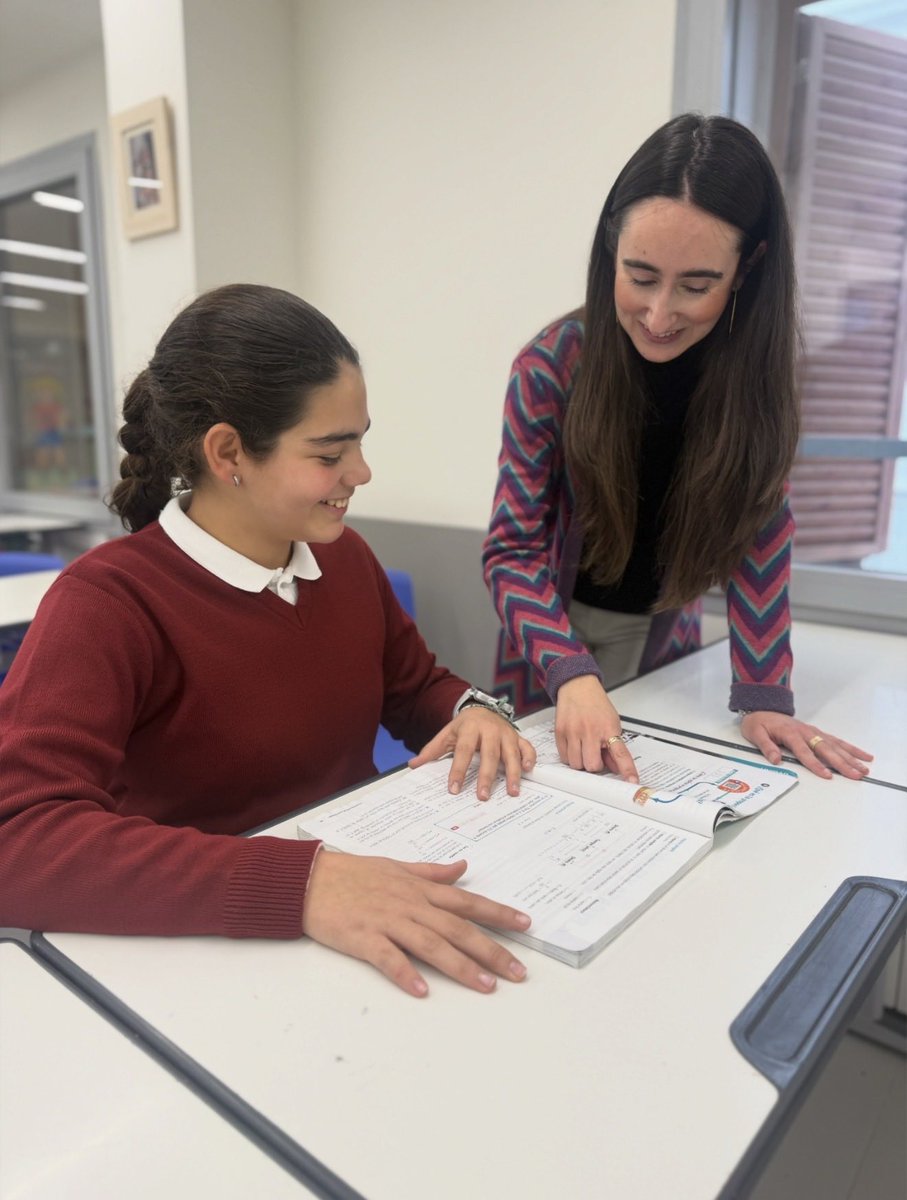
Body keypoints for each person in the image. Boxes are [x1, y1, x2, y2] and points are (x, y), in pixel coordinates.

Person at [0, 283, 538, 999]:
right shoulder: (109, 602)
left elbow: (410, 688)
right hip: (211, 953)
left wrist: (471, 710)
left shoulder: (344, 559)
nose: (361, 472)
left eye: (361, 441)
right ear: (228, 452)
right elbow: (20, 843)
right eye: (329, 452)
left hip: (361, 900)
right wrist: (301, 884)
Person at [483, 113, 872, 785]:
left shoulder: (751, 381)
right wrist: (571, 673)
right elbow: (511, 553)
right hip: (551, 641)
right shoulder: (550, 367)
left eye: (694, 287)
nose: (659, 316)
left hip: (669, 641)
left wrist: (760, 695)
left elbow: (760, 534)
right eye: (638, 276)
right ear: (610, 250)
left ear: (746, 268)